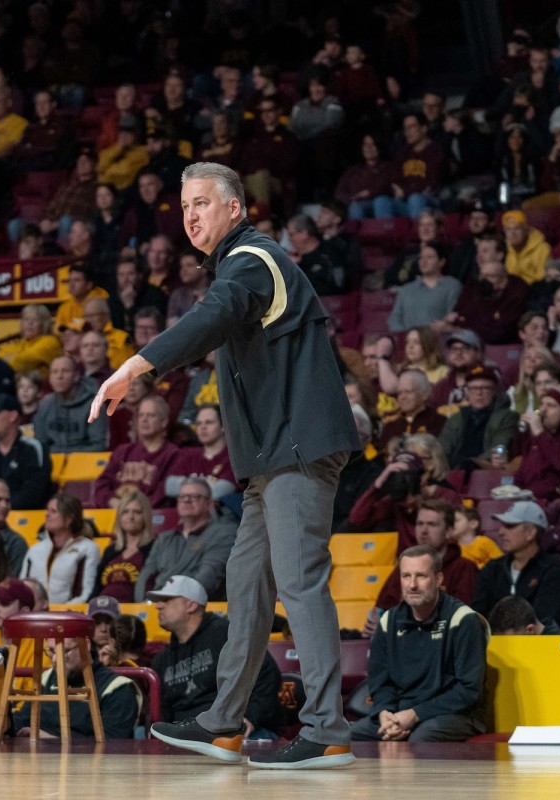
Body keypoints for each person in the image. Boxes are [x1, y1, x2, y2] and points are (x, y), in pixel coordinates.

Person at [90, 162, 358, 768]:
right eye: (184, 206)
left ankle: (326, 729)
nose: (190, 215)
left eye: (203, 203)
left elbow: (212, 317)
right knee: (246, 587)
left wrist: (135, 367)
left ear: (234, 209)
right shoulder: (237, 266)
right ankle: (223, 722)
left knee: (298, 582)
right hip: (269, 460)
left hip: (297, 449)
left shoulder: (254, 260)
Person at [351, 545, 488, 742]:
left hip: (456, 714)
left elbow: (468, 690)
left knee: (420, 738)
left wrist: (415, 714)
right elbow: (380, 681)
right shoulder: (389, 620)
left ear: (438, 579)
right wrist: (385, 713)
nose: (412, 584)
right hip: (401, 713)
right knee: (351, 736)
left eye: (421, 576)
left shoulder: (463, 620)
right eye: (406, 576)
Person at [148, 575, 281, 739]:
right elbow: (163, 706)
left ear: (191, 605)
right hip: (184, 734)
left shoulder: (224, 634)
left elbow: (267, 675)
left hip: (230, 732)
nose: (158, 606)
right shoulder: (164, 657)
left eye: (166, 599)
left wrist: (251, 718)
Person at [10, 633, 142, 739]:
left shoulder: (118, 688)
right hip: (38, 764)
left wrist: (51, 741)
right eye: (51, 651)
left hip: (89, 770)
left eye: (65, 651)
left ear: (86, 645)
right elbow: (21, 720)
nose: (55, 659)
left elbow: (114, 747)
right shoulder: (46, 678)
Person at [474, 501, 560, 628]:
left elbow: (546, 620)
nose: (501, 531)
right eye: (502, 526)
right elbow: (478, 615)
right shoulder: (493, 568)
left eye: (509, 526)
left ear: (531, 533)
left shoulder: (554, 570)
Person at [20, 494, 101, 605]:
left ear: (69, 519)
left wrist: (61, 611)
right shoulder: (34, 550)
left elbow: (87, 593)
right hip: (34, 613)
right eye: (47, 510)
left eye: (53, 511)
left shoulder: (88, 548)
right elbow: (22, 587)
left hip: (69, 614)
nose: (47, 515)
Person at [34, 355, 108, 453]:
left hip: (85, 463)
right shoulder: (45, 404)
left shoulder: (94, 405)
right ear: (50, 378)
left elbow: (99, 445)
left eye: (65, 371)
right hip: (53, 463)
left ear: (76, 376)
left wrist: (65, 455)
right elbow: (40, 444)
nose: (59, 376)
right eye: (55, 372)